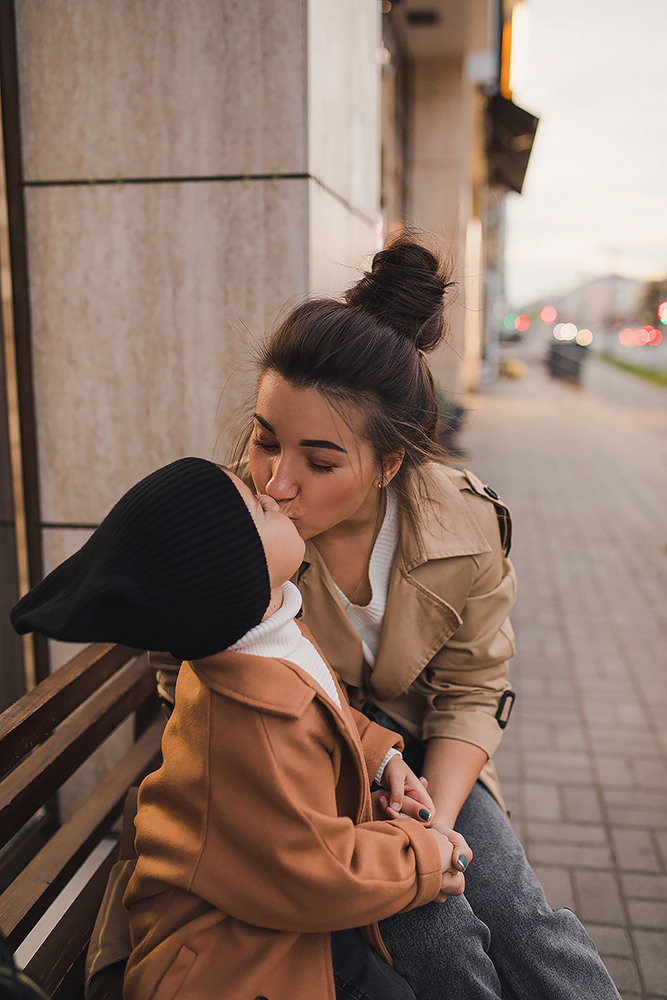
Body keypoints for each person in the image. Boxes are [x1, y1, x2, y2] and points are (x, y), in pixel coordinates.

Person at [213, 231, 619, 1000]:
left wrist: (435, 819)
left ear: (388, 465)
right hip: (299, 769)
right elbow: (200, 676)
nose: (277, 481)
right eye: (265, 440)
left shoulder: (463, 527)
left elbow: (472, 691)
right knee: (440, 938)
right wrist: (376, 781)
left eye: (320, 461)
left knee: (518, 918)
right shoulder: (232, 521)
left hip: (429, 760)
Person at [10, 457, 472, 1000]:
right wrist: (425, 856)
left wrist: (381, 759)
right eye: (258, 508)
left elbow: (320, 708)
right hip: (225, 962)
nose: (273, 495)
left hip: (263, 905)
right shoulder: (249, 722)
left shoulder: (259, 640)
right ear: (235, 573)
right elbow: (315, 871)